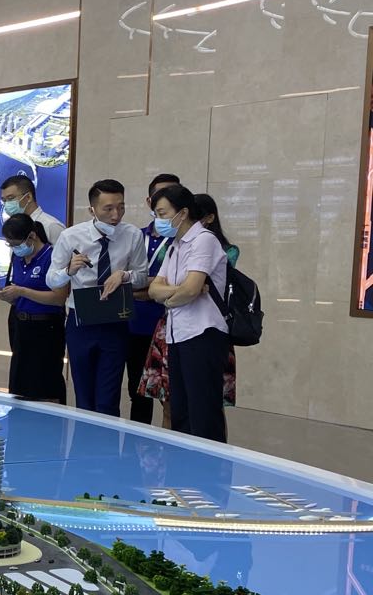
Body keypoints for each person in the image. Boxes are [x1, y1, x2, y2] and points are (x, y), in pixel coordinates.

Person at [48, 179, 149, 415]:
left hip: (115, 319)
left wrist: (124, 275)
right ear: (92, 209)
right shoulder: (71, 236)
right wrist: (68, 271)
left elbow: (142, 277)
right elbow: (51, 280)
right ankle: (84, 439)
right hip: (81, 320)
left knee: (108, 399)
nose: (116, 215)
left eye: (121, 207)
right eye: (108, 208)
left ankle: (107, 439)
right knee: (84, 397)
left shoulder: (132, 235)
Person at [138, 192, 238, 425]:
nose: (158, 220)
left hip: (203, 334)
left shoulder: (204, 240)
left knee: (202, 412)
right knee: (180, 411)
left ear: (182, 213)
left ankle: (208, 451)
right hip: (177, 335)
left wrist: (170, 298)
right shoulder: (175, 245)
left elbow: (192, 290)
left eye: (162, 214)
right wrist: (177, 292)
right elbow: (154, 290)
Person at [126, 173, 182, 424]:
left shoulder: (183, 239)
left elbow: (178, 284)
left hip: (170, 327)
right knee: (138, 392)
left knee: (171, 397)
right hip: (134, 324)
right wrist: (153, 286)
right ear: (149, 201)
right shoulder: (136, 236)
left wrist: (145, 285)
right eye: (161, 195)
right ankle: (138, 446)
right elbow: (124, 280)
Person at [0, 213, 69, 401]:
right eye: (10, 245)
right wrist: (9, 296)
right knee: (20, 386)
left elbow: (59, 298)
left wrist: (22, 291)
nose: (14, 248)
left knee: (45, 385)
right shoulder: (18, 258)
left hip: (46, 328)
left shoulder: (52, 256)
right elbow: (19, 293)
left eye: (16, 244)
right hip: (21, 326)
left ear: (32, 236)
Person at [0, 174, 66, 243]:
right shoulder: (13, 227)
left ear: (28, 197)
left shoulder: (51, 226)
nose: (7, 204)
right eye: (4, 200)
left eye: (10, 198)